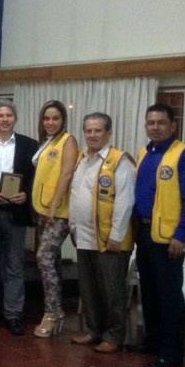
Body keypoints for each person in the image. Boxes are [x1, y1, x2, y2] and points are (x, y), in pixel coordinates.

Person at [131, 103, 185, 367]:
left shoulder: (184, 156)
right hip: (145, 232)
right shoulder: (145, 153)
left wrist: (181, 235)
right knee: (148, 292)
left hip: (169, 239)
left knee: (169, 296)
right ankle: (152, 341)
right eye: (151, 123)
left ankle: (172, 353)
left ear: (173, 126)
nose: (155, 127)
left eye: (161, 123)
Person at [68, 112, 135, 354]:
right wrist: (73, 227)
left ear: (108, 132)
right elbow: (76, 195)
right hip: (84, 236)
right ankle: (94, 329)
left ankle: (114, 335)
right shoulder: (81, 159)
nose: (92, 135)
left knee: (112, 290)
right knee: (89, 288)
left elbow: (125, 201)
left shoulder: (120, 161)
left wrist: (117, 235)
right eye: (88, 130)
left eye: (97, 130)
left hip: (110, 240)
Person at [0, 100, 38, 336]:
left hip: (17, 212)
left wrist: (27, 195)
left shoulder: (29, 145)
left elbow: (35, 178)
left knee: (14, 266)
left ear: (15, 118)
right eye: (0, 115)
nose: (4, 119)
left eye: (9, 115)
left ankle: (13, 313)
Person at [30, 100, 78, 338]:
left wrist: (54, 203)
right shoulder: (48, 142)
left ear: (63, 121)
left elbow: (67, 173)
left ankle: (53, 312)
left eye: (55, 118)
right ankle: (54, 309)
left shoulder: (68, 141)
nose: (50, 122)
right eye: (46, 118)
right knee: (53, 260)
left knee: (44, 257)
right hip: (42, 209)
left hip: (57, 211)